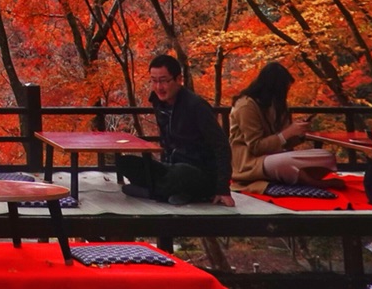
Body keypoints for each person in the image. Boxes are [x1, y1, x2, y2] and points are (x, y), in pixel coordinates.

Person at [116, 53, 235, 206]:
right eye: (154, 81)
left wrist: (222, 188)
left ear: (179, 80)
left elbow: (221, 145)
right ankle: (174, 193)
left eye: (164, 81)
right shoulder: (159, 102)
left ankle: (154, 192)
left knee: (181, 174)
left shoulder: (196, 106)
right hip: (171, 167)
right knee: (124, 163)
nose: (159, 87)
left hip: (198, 172)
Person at [229, 62, 337, 191]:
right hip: (252, 162)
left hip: (277, 156)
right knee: (285, 162)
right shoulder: (246, 106)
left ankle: (293, 176)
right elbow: (256, 147)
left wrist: (299, 134)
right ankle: (311, 182)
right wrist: (288, 132)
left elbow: (284, 143)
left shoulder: (278, 105)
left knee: (327, 156)